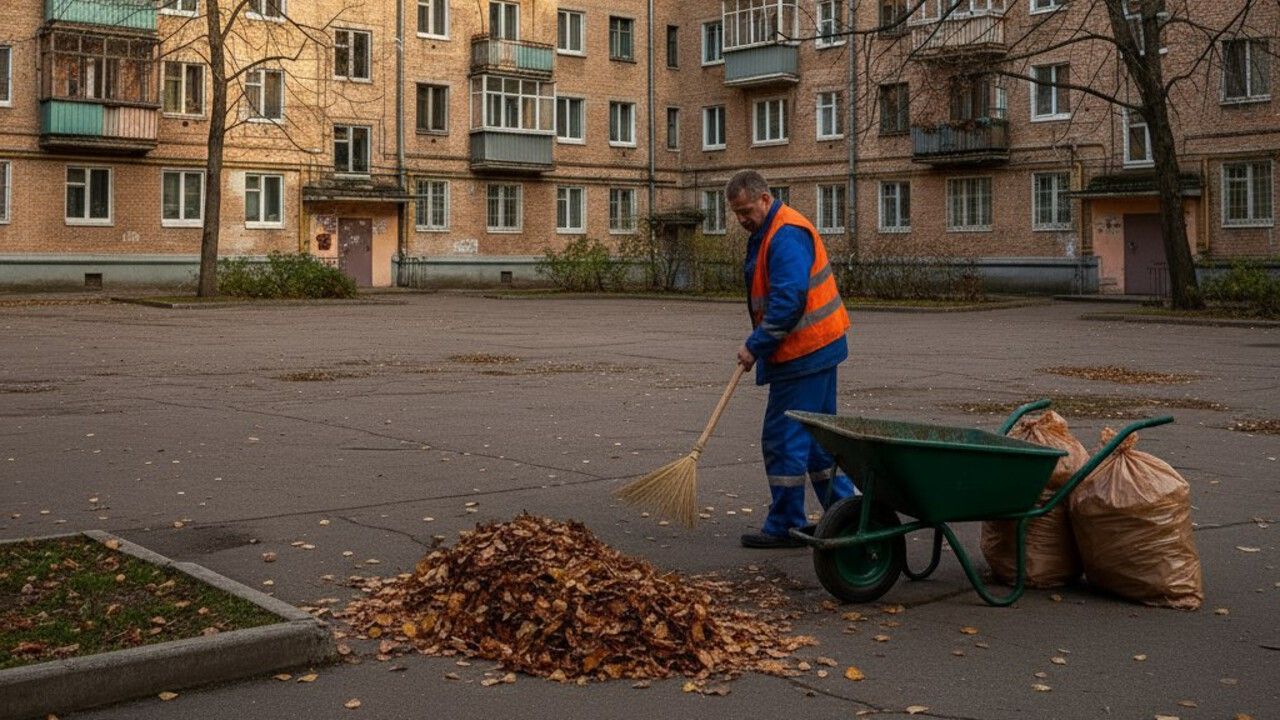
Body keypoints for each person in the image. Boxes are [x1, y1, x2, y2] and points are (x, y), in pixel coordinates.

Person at [726, 170, 856, 549]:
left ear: (765, 199)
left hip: (804, 353)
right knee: (818, 441)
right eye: (737, 213)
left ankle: (785, 523)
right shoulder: (772, 230)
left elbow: (788, 300)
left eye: (746, 210)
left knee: (783, 439)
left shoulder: (784, 234)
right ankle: (848, 516)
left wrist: (755, 345)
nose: (742, 219)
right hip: (814, 349)